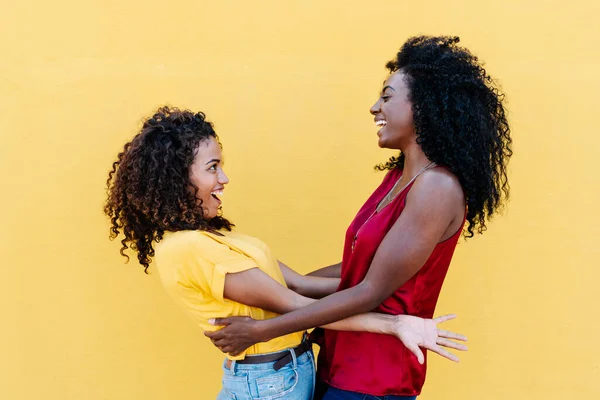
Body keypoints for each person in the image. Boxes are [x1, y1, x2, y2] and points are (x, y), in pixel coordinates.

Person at [204, 35, 512, 400]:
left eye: (387, 96)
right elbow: (357, 268)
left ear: (424, 106)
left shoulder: (437, 189)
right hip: (342, 363)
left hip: (376, 378)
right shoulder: (397, 179)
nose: (374, 107)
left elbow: (370, 291)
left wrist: (262, 330)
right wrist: (284, 279)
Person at [104, 106, 468, 400]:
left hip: (288, 374)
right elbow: (294, 304)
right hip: (267, 385)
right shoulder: (188, 249)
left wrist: (383, 280)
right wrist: (394, 324)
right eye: (212, 168)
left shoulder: (218, 238)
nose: (224, 179)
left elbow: (302, 284)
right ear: (176, 178)